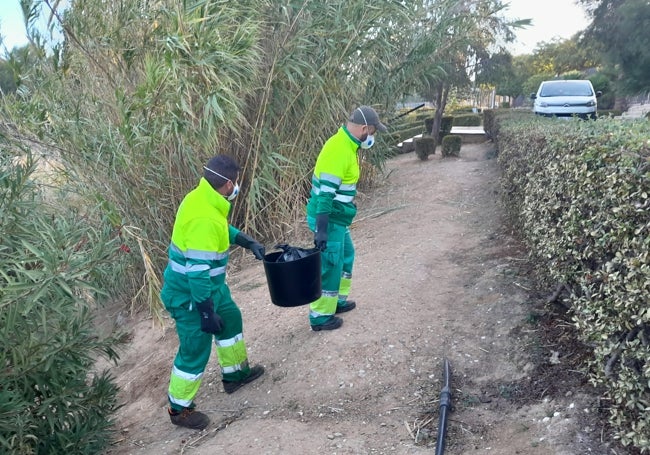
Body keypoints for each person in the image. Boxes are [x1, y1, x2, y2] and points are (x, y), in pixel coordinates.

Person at [161, 155, 266, 430]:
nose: (237, 187)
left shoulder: (204, 198)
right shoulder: (203, 215)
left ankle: (235, 375)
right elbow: (197, 272)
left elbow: (220, 228)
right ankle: (179, 409)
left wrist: (245, 240)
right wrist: (206, 312)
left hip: (211, 288)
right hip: (189, 296)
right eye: (237, 183)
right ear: (229, 183)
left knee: (230, 318)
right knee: (195, 348)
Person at [305, 105, 387, 331]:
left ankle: (337, 301)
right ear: (364, 128)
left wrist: (348, 203)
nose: (372, 137)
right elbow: (325, 196)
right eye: (372, 132)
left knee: (346, 255)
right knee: (330, 264)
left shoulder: (346, 146)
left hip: (337, 218)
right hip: (329, 219)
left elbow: (338, 189)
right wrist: (321, 230)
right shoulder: (340, 150)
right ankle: (321, 316)